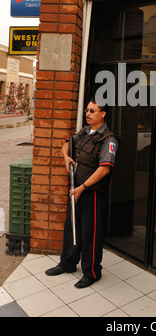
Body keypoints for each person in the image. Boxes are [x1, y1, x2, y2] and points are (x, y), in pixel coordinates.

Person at [45, 98, 119, 288]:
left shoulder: (108, 139)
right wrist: (65, 157)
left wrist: (83, 188)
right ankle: (67, 263)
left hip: (91, 193)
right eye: (87, 110)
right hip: (75, 188)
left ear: (103, 114)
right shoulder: (84, 132)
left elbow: (104, 169)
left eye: (92, 111)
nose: (87, 113)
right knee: (72, 227)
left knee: (90, 232)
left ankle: (92, 272)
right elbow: (66, 143)